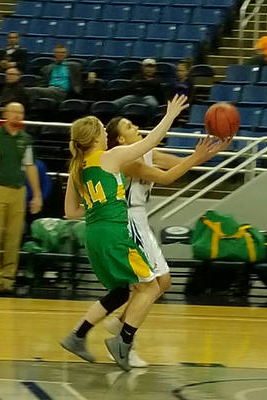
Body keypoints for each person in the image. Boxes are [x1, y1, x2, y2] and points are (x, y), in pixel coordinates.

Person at [58, 95, 188, 370]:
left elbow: (70, 212)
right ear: (95, 138)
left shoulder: (76, 168)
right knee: (151, 286)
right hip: (114, 233)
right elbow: (148, 143)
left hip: (93, 234)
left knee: (121, 290)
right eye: (104, 132)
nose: (106, 134)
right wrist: (170, 116)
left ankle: (77, 335)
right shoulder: (111, 156)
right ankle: (123, 341)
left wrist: (99, 209)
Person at [98, 117, 228, 337]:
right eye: (130, 126)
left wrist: (207, 154)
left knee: (159, 282)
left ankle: (119, 324)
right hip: (128, 218)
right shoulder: (126, 160)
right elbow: (165, 177)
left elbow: (178, 164)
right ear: (120, 139)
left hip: (139, 218)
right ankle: (122, 335)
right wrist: (196, 157)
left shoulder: (148, 153)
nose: (137, 127)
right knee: (153, 283)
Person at [0, 102, 43, 294]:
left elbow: (30, 167)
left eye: (20, 112)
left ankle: (8, 279)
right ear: (5, 114)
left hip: (18, 190)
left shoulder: (26, 139)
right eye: (13, 112)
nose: (17, 115)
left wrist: (36, 195)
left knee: (14, 236)